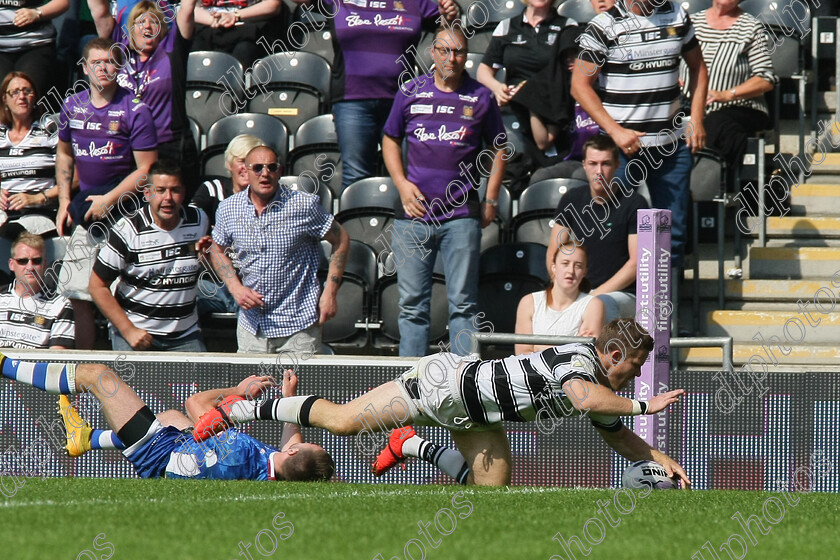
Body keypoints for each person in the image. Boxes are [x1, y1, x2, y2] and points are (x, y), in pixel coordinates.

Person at [192, 319, 691, 488]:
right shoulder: (581, 361)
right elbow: (582, 398)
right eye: (635, 366)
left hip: (473, 414)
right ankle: (236, 410)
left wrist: (668, 465)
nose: (638, 375)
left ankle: (413, 446)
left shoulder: (603, 382)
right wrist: (645, 405)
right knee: (344, 422)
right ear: (614, 354)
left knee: (492, 490)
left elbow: (621, 437)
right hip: (444, 383)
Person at [0, 351, 334, 481]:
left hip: (157, 452)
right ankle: (86, 438)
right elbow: (294, 453)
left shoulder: (242, 452)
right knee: (172, 415)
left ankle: (6, 365)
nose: (302, 441)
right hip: (181, 454)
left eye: (306, 445)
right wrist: (288, 401)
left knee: (99, 377)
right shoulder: (279, 475)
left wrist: (239, 391)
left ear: (292, 453)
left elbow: (196, 404)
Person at [383, 24, 506, 358]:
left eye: (460, 51)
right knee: (411, 306)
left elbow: (498, 148)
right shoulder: (409, 92)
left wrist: (491, 196)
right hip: (414, 216)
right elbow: (390, 139)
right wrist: (402, 184)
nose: (452, 58)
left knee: (464, 305)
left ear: (466, 55)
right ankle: (410, 384)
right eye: (445, 51)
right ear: (433, 53)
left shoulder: (481, 96)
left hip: (461, 216)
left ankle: (465, 380)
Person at [571, 0, 708, 270]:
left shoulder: (677, 14)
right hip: (620, 149)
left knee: (672, 235)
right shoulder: (604, 25)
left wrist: (697, 119)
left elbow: (699, 69)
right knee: (611, 228)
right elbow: (579, 85)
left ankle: (668, 309)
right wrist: (616, 132)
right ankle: (614, 305)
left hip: (671, 147)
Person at [289, 0, 457, 194]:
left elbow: (449, 31)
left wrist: (448, 14)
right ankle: (358, 223)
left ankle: (404, 224)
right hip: (352, 99)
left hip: (402, 101)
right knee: (356, 178)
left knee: (409, 176)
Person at [55, 36, 157, 349]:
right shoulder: (72, 105)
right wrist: (62, 202)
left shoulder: (136, 109)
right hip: (87, 212)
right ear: (84, 68)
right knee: (78, 292)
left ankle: (125, 366)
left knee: (120, 294)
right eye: (96, 62)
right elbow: (64, 154)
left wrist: (109, 200)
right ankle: (86, 369)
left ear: (120, 67)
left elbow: (147, 169)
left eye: (110, 61)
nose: (103, 68)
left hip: (127, 213)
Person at [209, 145, 350, 354]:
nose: (265, 174)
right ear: (245, 171)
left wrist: (330, 292)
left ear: (280, 171)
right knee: (250, 387)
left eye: (271, 167)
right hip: (252, 326)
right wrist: (235, 288)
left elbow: (341, 240)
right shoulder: (228, 208)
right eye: (257, 168)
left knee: (299, 388)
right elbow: (217, 250)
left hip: (298, 327)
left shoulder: (303, 205)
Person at [89, 159, 209, 352]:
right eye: (160, 190)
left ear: (184, 193)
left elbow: (209, 263)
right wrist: (128, 331)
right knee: (126, 384)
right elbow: (96, 286)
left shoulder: (199, 221)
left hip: (185, 335)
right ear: (147, 194)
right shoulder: (127, 230)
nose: (168, 198)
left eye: (175, 190)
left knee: (205, 383)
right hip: (136, 333)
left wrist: (208, 260)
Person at [89, 0, 198, 190]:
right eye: (141, 22)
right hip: (127, 149)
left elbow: (188, 8)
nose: (147, 26)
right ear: (131, 29)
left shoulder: (172, 47)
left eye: (154, 22)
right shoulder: (118, 49)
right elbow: (99, 11)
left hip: (169, 148)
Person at [546, 135, 648, 323]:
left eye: (606, 164)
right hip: (578, 289)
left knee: (600, 304)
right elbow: (555, 251)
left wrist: (591, 296)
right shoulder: (572, 200)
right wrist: (561, 288)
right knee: (534, 302)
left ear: (617, 165)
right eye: (593, 164)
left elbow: (635, 264)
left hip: (622, 293)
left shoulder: (634, 204)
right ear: (583, 164)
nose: (599, 171)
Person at [476, 0, 577, 191]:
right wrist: (497, 87)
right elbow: (483, 71)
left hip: (553, 107)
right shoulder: (506, 27)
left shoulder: (567, 25)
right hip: (513, 107)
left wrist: (531, 89)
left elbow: (570, 72)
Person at [681, 0, 776, 188]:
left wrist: (727, 94)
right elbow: (671, 59)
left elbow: (766, 78)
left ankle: (714, 188)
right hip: (688, 105)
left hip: (738, 107)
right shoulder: (691, 22)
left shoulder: (751, 27)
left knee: (717, 126)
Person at [191, 134, 266, 315]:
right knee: (175, 293)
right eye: (242, 161)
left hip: (254, 286)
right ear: (229, 164)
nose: (247, 168)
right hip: (213, 283)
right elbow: (188, 228)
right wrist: (199, 250)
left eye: (253, 163)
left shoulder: (270, 200)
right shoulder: (212, 190)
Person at [514, 244, 603, 354]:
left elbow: (585, 356)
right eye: (565, 263)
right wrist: (572, 347)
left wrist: (539, 349)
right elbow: (522, 354)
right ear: (554, 267)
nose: (571, 271)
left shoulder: (593, 305)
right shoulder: (528, 302)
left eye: (578, 266)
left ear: (585, 272)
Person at [0, 71, 59, 234]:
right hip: (4, 213)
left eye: (27, 91)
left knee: (9, 232)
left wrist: (37, 197)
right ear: (5, 98)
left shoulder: (49, 128)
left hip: (39, 212)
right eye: (15, 92)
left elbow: (72, 180)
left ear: (35, 97)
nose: (21, 96)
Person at [0, 232, 74, 348]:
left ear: (44, 264)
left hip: (37, 366)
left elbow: (57, 358)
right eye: (23, 261)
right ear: (11, 264)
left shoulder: (60, 305)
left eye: (36, 261)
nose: (30, 267)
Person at [0, 0, 69, 96]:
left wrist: (37, 12)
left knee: (28, 92)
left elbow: (62, 2)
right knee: (4, 95)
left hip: (35, 45)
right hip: (2, 49)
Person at [192, 0, 285, 69]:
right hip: (208, 25)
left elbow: (272, 5)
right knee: (195, 50)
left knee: (245, 50)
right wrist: (213, 20)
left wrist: (235, 16)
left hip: (248, 28)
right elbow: (187, 8)